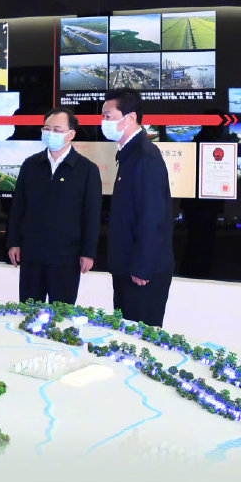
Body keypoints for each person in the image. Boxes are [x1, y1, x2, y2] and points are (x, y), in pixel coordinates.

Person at [6, 107, 102, 305]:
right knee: (29, 311)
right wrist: (13, 242)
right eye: (47, 128)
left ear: (71, 134)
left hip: (66, 257)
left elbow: (91, 215)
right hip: (32, 253)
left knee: (61, 314)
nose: (50, 133)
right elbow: (18, 207)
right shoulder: (31, 164)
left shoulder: (86, 169)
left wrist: (88, 252)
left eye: (57, 130)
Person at [101, 88, 174, 328]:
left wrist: (142, 267)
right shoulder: (129, 154)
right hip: (127, 267)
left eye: (109, 116)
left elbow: (152, 217)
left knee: (140, 340)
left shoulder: (145, 157)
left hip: (142, 273)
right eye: (103, 116)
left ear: (130, 117)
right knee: (123, 334)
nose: (104, 122)